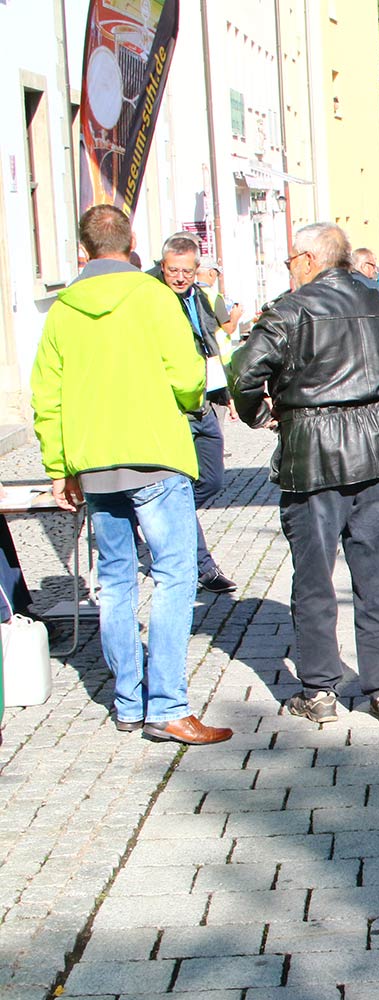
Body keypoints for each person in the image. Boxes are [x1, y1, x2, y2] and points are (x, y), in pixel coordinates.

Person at [31, 205, 230, 745]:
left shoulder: (62, 310)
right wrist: (185, 402)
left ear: (83, 248)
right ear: (132, 241)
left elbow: (45, 397)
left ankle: (127, 701)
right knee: (173, 576)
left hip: (93, 461)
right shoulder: (155, 298)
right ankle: (167, 706)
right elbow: (189, 376)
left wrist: (58, 466)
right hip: (155, 453)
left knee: (115, 582)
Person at [230, 222, 379, 725]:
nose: (289, 266)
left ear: (310, 260)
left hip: (314, 452)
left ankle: (319, 690)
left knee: (314, 577)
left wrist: (259, 414)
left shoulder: (290, 310)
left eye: (293, 257)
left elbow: (243, 375)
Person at [152, 235, 237, 594]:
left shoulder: (198, 295)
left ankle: (159, 518)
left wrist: (227, 391)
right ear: (162, 266)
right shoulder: (152, 298)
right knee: (180, 487)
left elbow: (211, 344)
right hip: (172, 406)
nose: (180, 277)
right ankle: (202, 566)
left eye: (187, 271)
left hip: (204, 399)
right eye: (174, 270)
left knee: (211, 482)